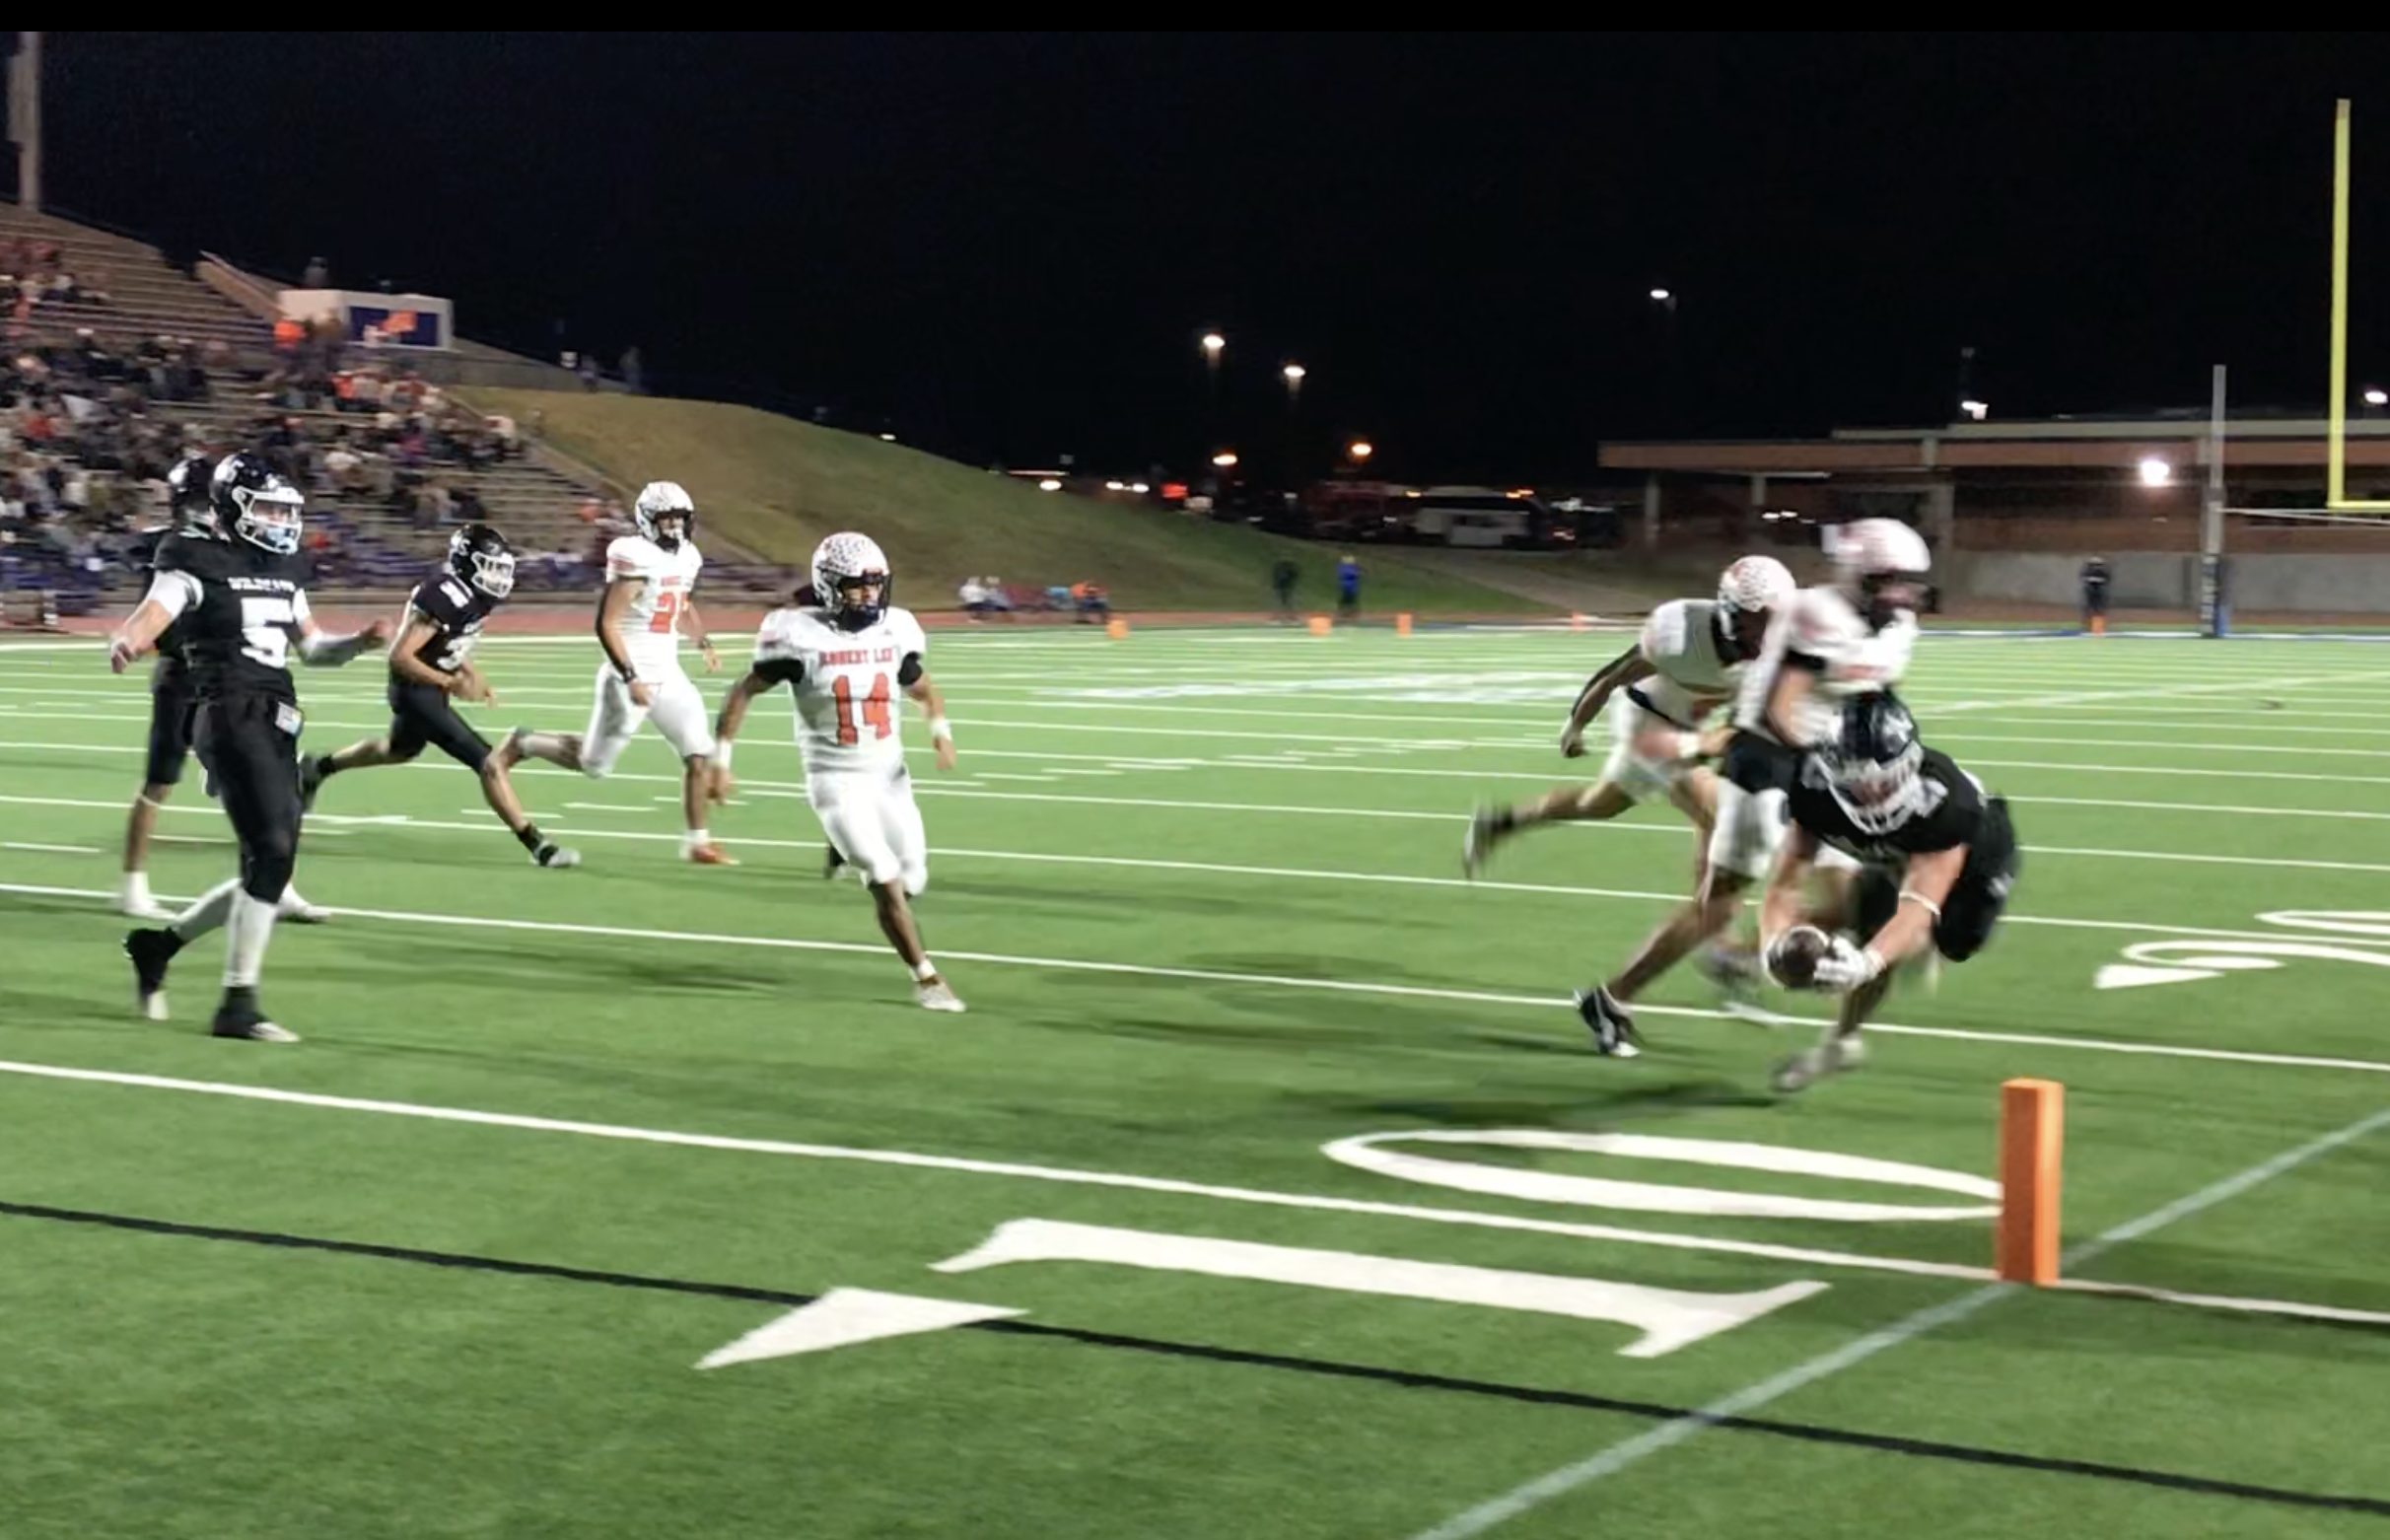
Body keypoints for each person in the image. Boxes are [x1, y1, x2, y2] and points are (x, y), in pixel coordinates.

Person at [1573, 519, 1929, 1056]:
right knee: (1717, 905)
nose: (1903, 594)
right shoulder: (1812, 619)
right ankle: (1611, 999)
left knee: (1849, 900)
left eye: (1908, 580)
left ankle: (1741, 956)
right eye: (1890, 580)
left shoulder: (1895, 629)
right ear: (1861, 578)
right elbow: (1775, 709)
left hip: (1822, 766)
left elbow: (1869, 702)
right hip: (1763, 762)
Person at [114, 454, 387, 1042]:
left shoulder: (285, 566)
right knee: (271, 852)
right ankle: (237, 1003)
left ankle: (158, 947)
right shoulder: (193, 557)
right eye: (266, 507)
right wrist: (130, 639)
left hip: (277, 714)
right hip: (226, 711)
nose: (279, 520)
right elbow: (156, 611)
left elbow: (313, 649)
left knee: (267, 862)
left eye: (284, 510)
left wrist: (359, 644)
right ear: (231, 506)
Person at [709, 532, 966, 1012]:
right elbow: (742, 691)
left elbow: (925, 688)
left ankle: (844, 855)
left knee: (913, 878)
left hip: (890, 776)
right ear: (829, 586)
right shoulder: (797, 637)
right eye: (857, 586)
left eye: (875, 585)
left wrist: (940, 731)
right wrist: (721, 760)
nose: (870, 595)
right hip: (834, 779)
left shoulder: (896, 631)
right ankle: (927, 978)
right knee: (884, 876)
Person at [1464, 555, 1795, 885]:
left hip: (1685, 726)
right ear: (1732, 615)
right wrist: (1575, 725)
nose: (1772, 630)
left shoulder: (1779, 649)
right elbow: (1613, 676)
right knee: (1719, 811)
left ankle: (1500, 823)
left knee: (1597, 805)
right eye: (1762, 619)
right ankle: (1705, 919)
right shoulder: (1679, 635)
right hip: (1644, 718)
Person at [1758, 689, 2019, 1091]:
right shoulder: (1811, 789)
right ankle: (1840, 1042)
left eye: (1885, 781)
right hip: (1889, 854)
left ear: (1910, 765)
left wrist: (1866, 964)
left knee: (1952, 942)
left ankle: (1919, 950)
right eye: (1855, 783)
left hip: (1975, 852)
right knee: (1869, 930)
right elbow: (1783, 887)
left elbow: (1918, 905)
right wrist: (1772, 946)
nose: (1872, 794)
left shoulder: (1949, 807)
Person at [118, 453, 333, 926]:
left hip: (239, 684)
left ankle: (279, 884)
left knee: (267, 794)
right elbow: (157, 621)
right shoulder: (180, 553)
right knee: (160, 780)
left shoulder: (242, 551)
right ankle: (132, 882)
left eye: (207, 501)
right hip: (184, 677)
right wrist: (137, 640)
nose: (204, 511)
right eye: (195, 502)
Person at [299, 525, 580, 870]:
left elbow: (450, 644)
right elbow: (401, 656)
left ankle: (318, 767)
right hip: (415, 692)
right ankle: (537, 844)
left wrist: (471, 673)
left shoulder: (471, 596)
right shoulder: (443, 594)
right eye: (490, 566)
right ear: (467, 563)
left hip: (427, 689)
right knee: (489, 763)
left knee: (398, 750)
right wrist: (450, 683)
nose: (497, 576)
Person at [500, 480, 733, 864]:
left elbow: (681, 603)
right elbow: (607, 624)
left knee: (697, 753)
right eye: (666, 520)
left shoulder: (689, 556)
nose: (674, 528)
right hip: (630, 673)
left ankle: (697, 841)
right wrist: (630, 677)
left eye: (679, 520)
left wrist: (702, 642)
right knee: (593, 765)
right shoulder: (633, 555)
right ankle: (524, 742)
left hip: (668, 672)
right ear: (647, 521)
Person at [2080, 555, 2111, 635]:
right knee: (2092, 608)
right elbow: (2084, 578)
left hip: (2098, 591)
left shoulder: (2103, 572)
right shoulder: (2087, 571)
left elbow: (2107, 580)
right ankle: (2090, 625)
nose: (2095, 567)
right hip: (2092, 591)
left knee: (2097, 608)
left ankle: (2097, 627)